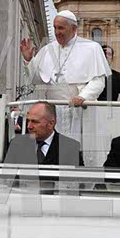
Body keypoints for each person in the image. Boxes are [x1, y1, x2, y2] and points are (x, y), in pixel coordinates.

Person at [19, 10, 111, 143]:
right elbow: (36, 79)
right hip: (54, 109)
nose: (57, 32)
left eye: (61, 28)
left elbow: (98, 81)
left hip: (80, 109)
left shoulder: (92, 48)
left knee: (79, 145)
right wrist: (29, 61)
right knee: (54, 145)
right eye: (55, 28)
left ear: (74, 28)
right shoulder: (47, 50)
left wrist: (83, 97)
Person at [5, 102, 83, 166]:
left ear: (51, 124)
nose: (29, 126)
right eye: (28, 121)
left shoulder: (70, 148)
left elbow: (79, 178)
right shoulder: (17, 144)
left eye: (35, 122)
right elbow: (6, 177)